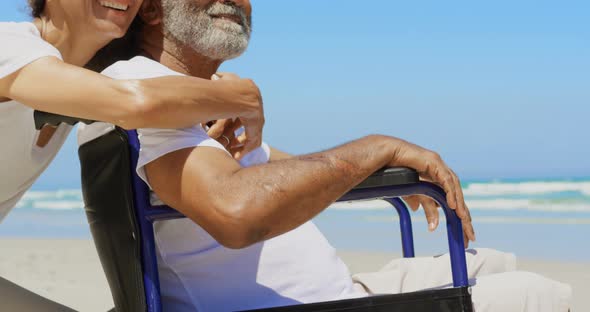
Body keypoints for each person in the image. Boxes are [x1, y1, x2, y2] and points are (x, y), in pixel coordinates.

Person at [79, 0, 572, 311]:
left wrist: (385, 168)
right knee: (539, 295)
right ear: (152, 9)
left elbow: (273, 169)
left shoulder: (188, 104)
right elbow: (236, 211)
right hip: (307, 305)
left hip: (333, 295)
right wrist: (377, 146)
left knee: (498, 262)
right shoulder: (140, 88)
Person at [0, 0, 266, 309]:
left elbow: (154, 91)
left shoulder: (83, 75)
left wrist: (215, 89)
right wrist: (240, 96)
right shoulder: (10, 45)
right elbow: (136, 103)